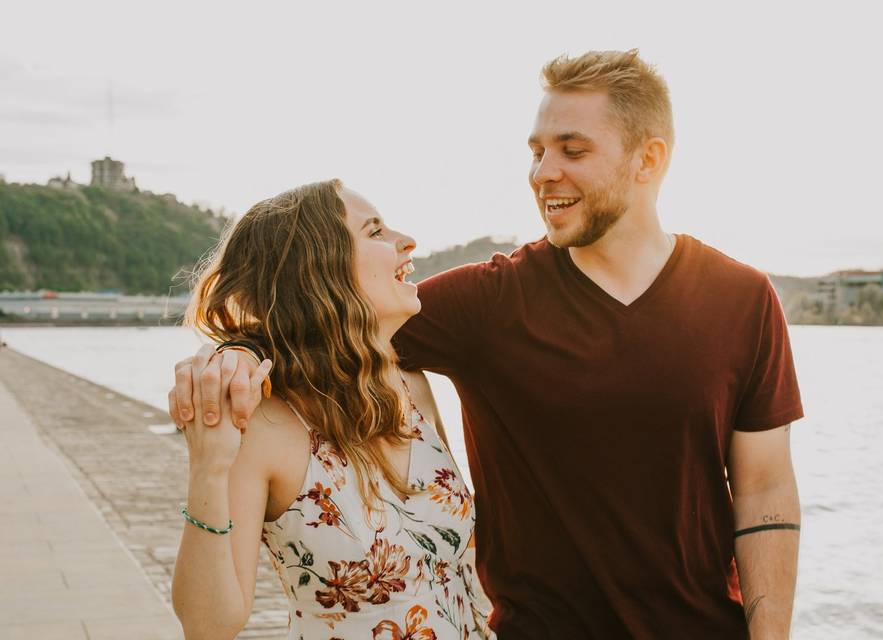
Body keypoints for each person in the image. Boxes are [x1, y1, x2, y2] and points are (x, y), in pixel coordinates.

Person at [172, 50, 803, 639]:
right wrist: (240, 351)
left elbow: (765, 487)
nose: (542, 171)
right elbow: (320, 320)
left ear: (649, 159)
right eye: (537, 149)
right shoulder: (486, 303)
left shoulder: (743, 299)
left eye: (572, 149)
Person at [169, 180, 494, 639]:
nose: (406, 241)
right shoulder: (264, 426)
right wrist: (207, 468)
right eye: (376, 231)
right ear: (321, 270)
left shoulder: (411, 388)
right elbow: (208, 626)